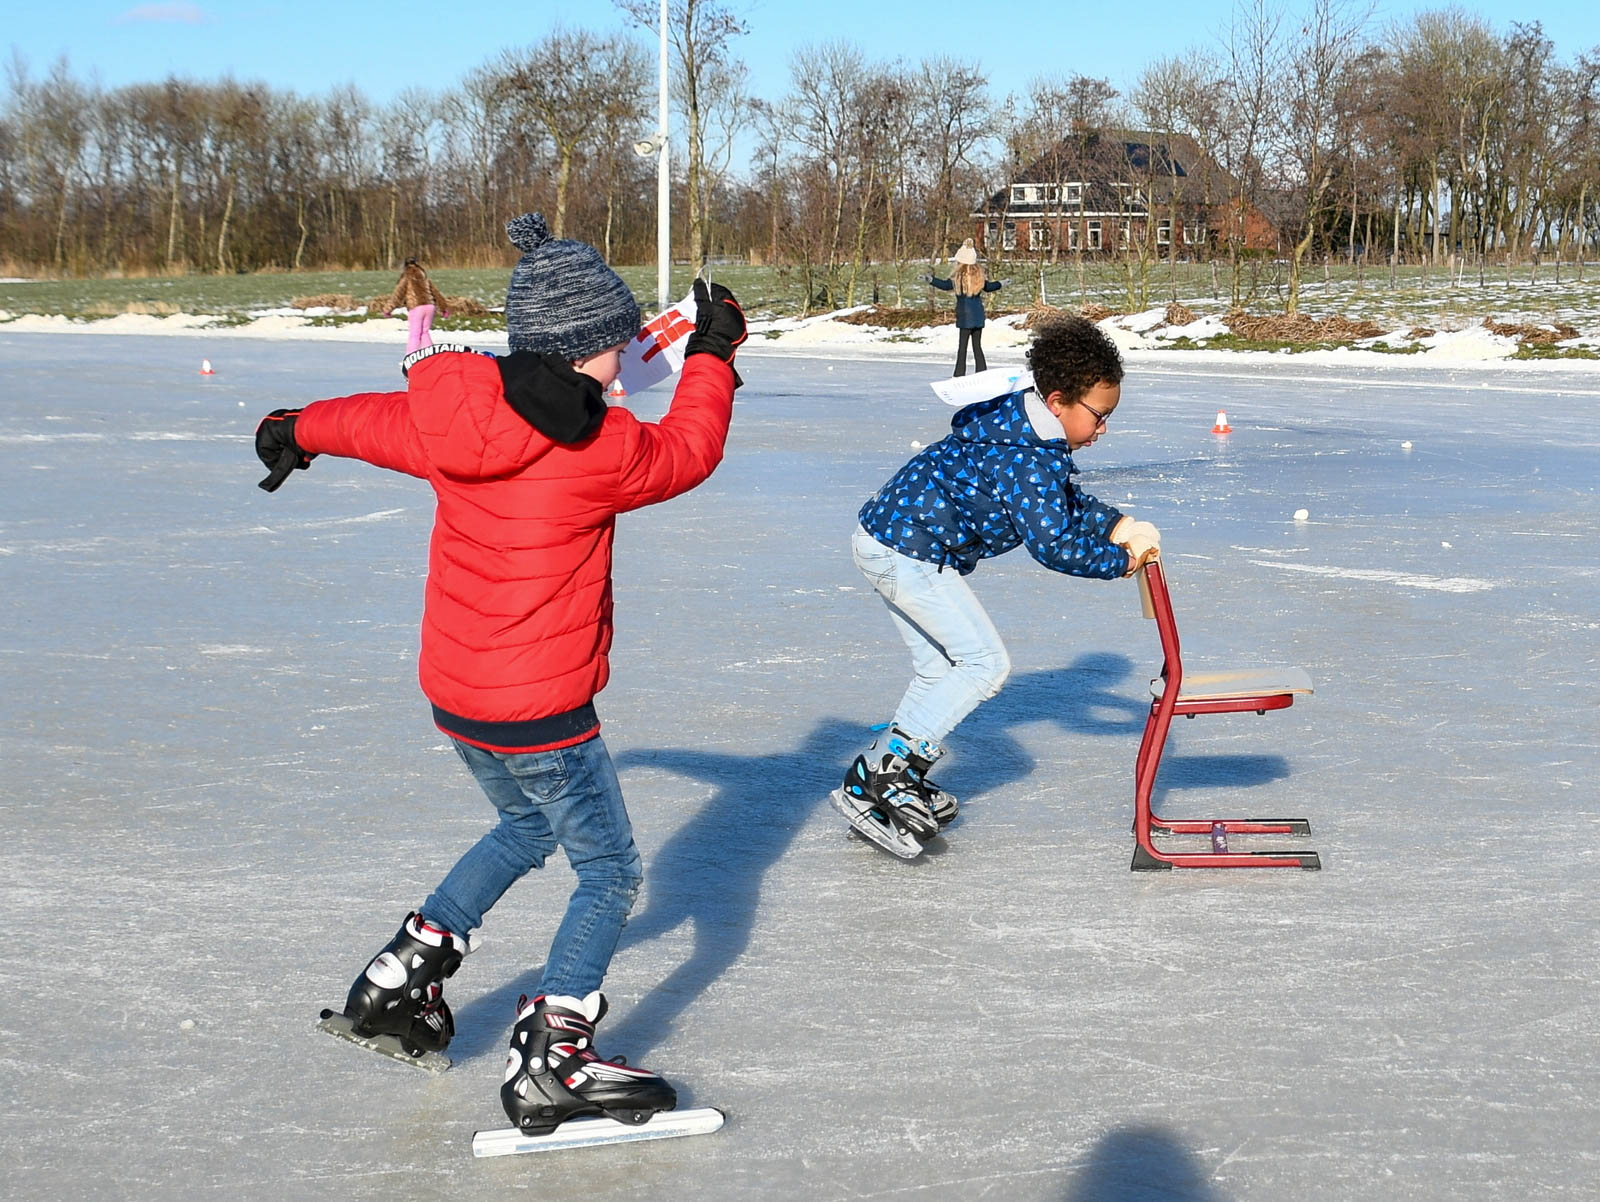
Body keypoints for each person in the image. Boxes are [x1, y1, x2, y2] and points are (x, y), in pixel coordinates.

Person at [253, 211, 747, 1135]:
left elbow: (371, 422)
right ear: (588, 349)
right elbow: (690, 450)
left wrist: (295, 427)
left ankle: (401, 974)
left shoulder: (453, 416)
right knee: (609, 873)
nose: (626, 360)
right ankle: (555, 1054)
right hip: (544, 709)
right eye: (618, 345)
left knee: (523, 828)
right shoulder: (600, 448)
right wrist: (714, 353)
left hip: (459, 696)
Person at [830, 314, 1160, 858]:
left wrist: (1115, 523)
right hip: (907, 550)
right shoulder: (1027, 453)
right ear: (1058, 401)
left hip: (894, 541)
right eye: (1100, 416)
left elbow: (1058, 501)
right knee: (984, 664)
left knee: (940, 670)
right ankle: (882, 775)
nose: (1103, 430)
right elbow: (1053, 543)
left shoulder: (1026, 430)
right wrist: (1119, 561)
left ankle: (882, 778)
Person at [926, 238, 1004, 376]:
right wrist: (1001, 283)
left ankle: (959, 374)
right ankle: (982, 373)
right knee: (977, 347)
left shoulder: (958, 277)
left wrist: (931, 280)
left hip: (965, 316)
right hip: (978, 315)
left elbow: (945, 285)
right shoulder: (978, 276)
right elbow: (989, 287)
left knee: (962, 348)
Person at [383, 257, 450, 354]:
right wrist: (444, 308)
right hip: (430, 306)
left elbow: (397, 295)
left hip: (416, 307)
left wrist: (388, 309)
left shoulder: (406, 278)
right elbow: (436, 293)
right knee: (425, 333)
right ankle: (431, 355)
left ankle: (411, 356)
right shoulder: (424, 277)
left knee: (415, 334)